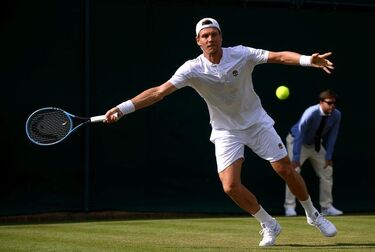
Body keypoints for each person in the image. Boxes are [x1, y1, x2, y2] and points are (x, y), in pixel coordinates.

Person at [104, 17, 337, 246]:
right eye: (205, 36)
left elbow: (279, 57)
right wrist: (123, 109)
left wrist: (308, 60)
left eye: (214, 34)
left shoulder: (242, 54)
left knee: (285, 169)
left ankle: (313, 214)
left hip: (256, 122)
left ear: (221, 37)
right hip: (226, 131)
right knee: (230, 186)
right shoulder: (192, 68)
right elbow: (158, 92)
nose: (210, 39)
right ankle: (269, 224)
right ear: (198, 41)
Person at [284, 89, 343, 217]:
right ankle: (289, 207)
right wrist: (296, 158)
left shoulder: (336, 115)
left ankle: (326, 207)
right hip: (296, 142)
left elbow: (333, 136)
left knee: (327, 171)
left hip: (315, 145)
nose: (332, 105)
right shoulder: (310, 112)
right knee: (293, 173)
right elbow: (300, 134)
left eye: (334, 103)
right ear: (321, 102)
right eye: (329, 103)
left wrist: (328, 156)